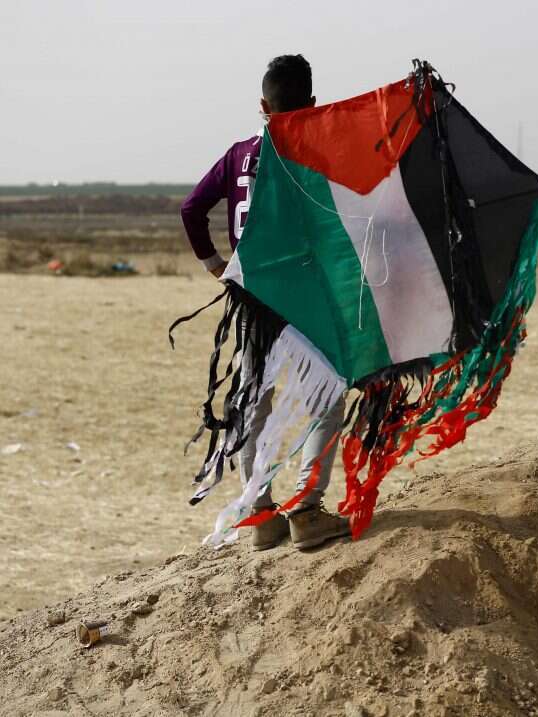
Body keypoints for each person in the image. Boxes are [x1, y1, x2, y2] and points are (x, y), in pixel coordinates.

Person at [180, 54, 349, 551]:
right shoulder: (316, 156)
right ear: (313, 105)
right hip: (304, 297)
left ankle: (260, 514)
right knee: (327, 396)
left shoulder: (238, 155)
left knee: (253, 402)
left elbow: (191, 209)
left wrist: (215, 263)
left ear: (262, 104)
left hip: (251, 299)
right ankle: (308, 510)